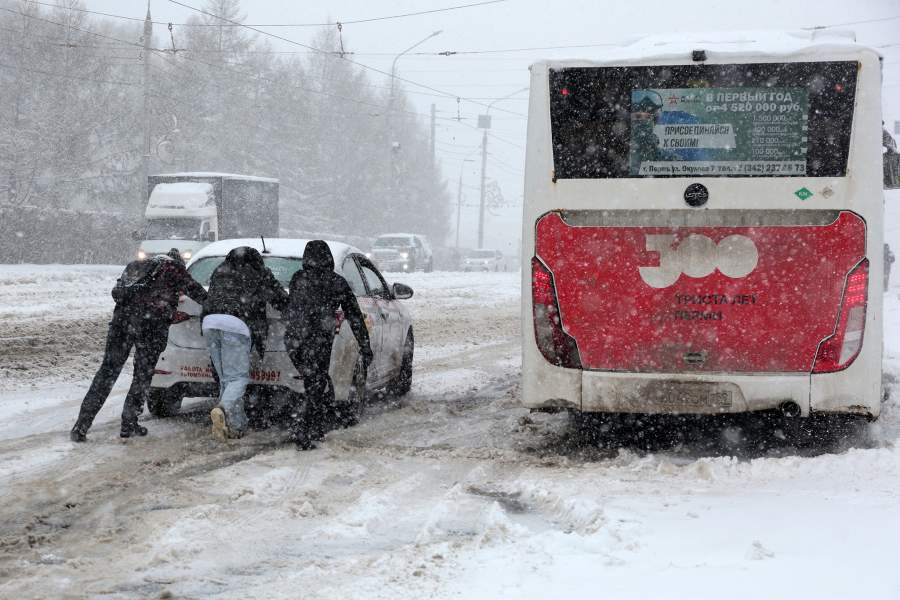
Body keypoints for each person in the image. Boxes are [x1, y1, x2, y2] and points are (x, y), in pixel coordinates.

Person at [71, 249, 207, 442]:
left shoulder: (135, 266)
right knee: (142, 375)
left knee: (107, 372)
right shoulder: (175, 270)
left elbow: (117, 293)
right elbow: (200, 294)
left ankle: (81, 425)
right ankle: (129, 422)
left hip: (122, 324)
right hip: (151, 327)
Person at [284, 240, 373, 449]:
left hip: (294, 339)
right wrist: (365, 345)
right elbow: (354, 315)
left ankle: (313, 426)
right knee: (315, 383)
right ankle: (304, 431)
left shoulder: (298, 278)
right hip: (318, 339)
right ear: (328, 258)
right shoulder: (336, 282)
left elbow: (294, 306)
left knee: (313, 381)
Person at [201, 246, 288, 441]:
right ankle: (223, 409)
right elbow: (280, 299)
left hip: (210, 323)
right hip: (236, 325)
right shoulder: (259, 273)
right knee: (238, 379)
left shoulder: (219, 270)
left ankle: (235, 425)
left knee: (226, 379)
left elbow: (210, 296)